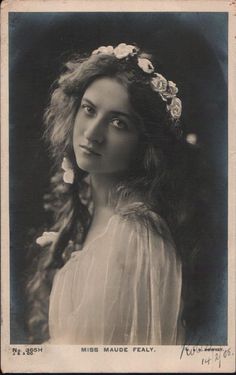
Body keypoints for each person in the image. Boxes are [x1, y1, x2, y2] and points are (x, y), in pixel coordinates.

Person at [26, 43, 213, 345]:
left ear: (145, 146)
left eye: (118, 123)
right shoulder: (89, 209)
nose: (92, 133)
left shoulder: (135, 236)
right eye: (89, 110)